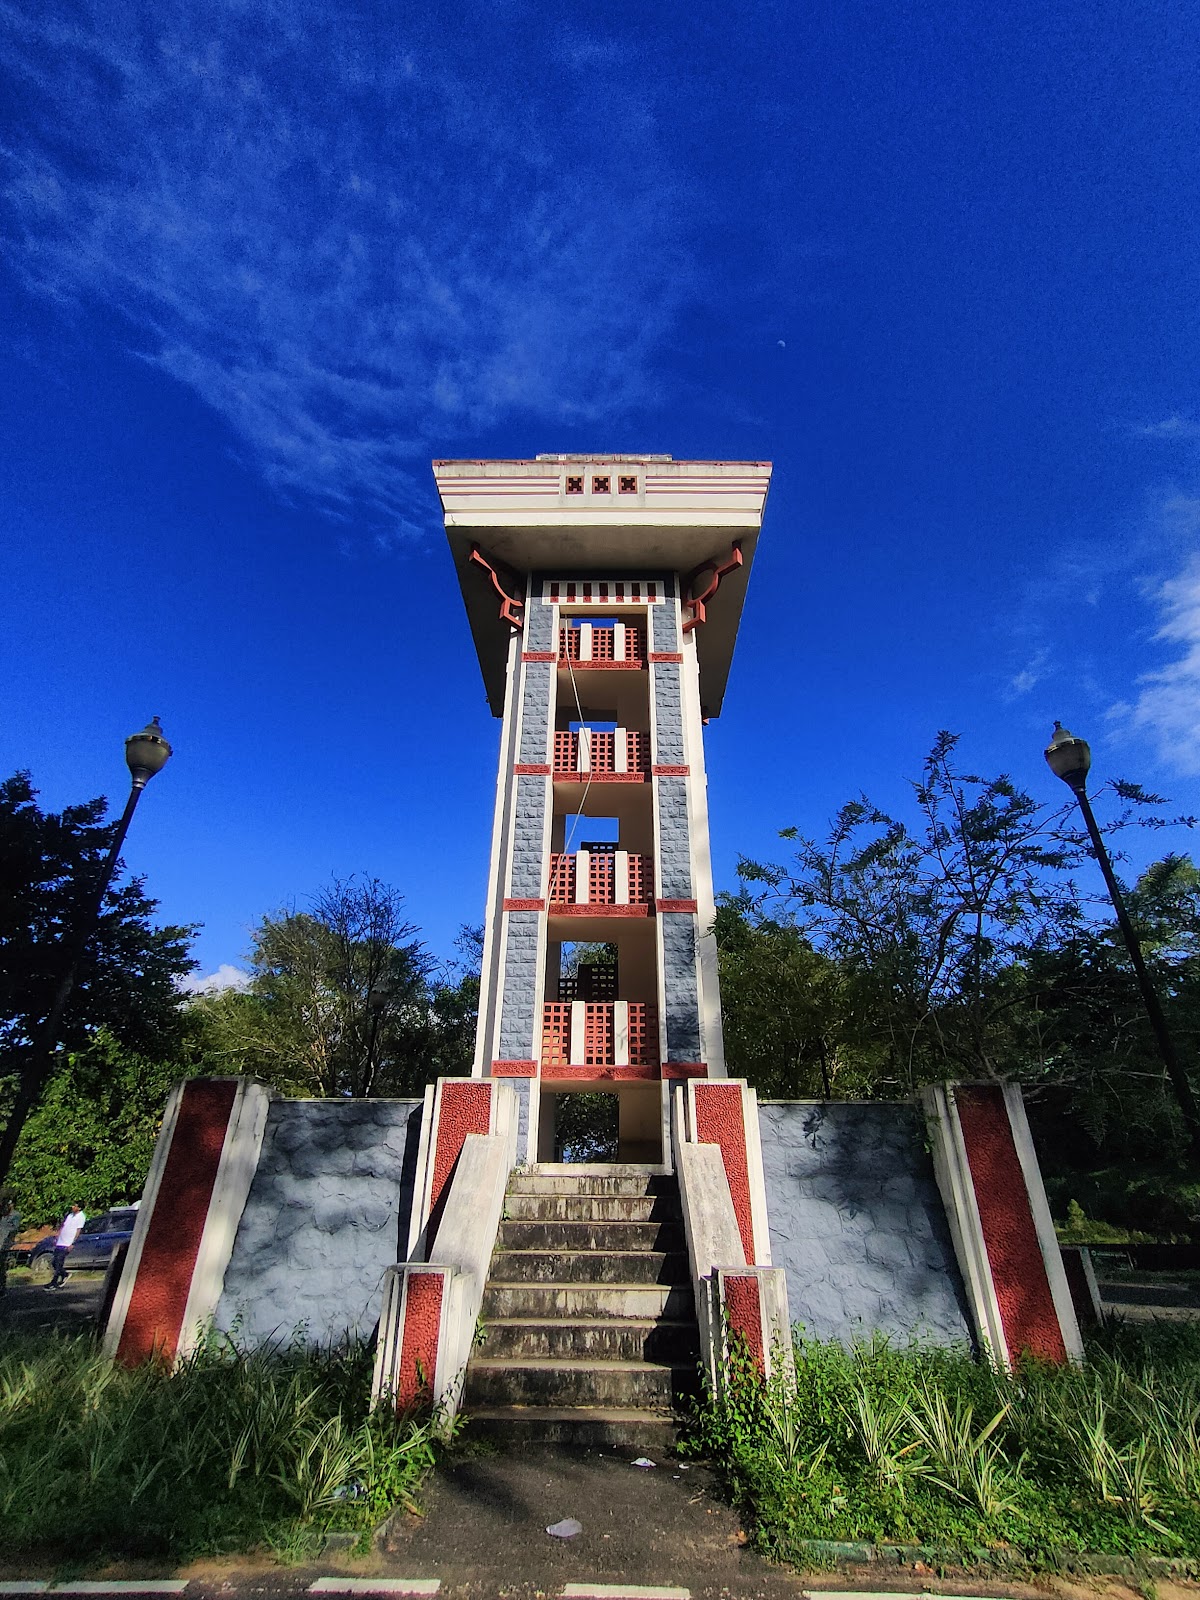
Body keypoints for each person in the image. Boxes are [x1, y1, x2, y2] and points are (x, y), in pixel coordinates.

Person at [48, 1203, 86, 1288]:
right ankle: (64, 1274)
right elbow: (63, 1226)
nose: (72, 1207)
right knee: (54, 1262)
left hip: (67, 1243)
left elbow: (78, 1231)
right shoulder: (70, 1215)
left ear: (79, 1208)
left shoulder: (81, 1217)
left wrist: (72, 1243)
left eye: (75, 1206)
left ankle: (54, 1282)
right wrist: (57, 1236)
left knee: (59, 1262)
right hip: (61, 1241)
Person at [0, 1192, 19, 1296]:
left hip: (5, 1244)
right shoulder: (3, 1215)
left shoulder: (15, 1215)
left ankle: (2, 1288)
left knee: (2, 1267)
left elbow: (14, 1228)